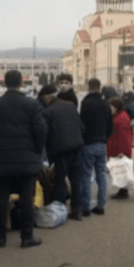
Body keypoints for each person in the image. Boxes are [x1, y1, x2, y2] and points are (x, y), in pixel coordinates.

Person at [0, 70, 48, 248]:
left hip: (1, 162)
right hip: (27, 162)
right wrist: (36, 152)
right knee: (27, 199)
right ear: (21, 84)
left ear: (4, 83)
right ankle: (27, 237)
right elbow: (41, 131)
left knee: (1, 198)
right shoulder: (32, 105)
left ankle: (0, 237)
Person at [38, 84, 85, 221]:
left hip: (60, 150)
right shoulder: (70, 105)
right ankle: (77, 210)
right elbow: (81, 126)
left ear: (47, 98)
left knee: (59, 180)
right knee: (75, 180)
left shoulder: (48, 112)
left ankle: (60, 210)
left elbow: (44, 134)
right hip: (76, 147)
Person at [79, 78, 113, 216]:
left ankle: (86, 207)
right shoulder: (105, 104)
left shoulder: (86, 104)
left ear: (89, 87)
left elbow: (81, 125)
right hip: (102, 144)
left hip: (88, 144)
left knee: (86, 176)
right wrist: (105, 138)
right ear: (100, 88)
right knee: (101, 176)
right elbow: (110, 125)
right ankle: (100, 206)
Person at [107, 97, 133, 200]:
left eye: (111, 106)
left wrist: (121, 151)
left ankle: (123, 192)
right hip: (120, 147)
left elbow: (121, 136)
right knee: (121, 171)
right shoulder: (122, 115)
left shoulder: (119, 118)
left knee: (121, 171)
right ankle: (122, 191)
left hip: (119, 148)